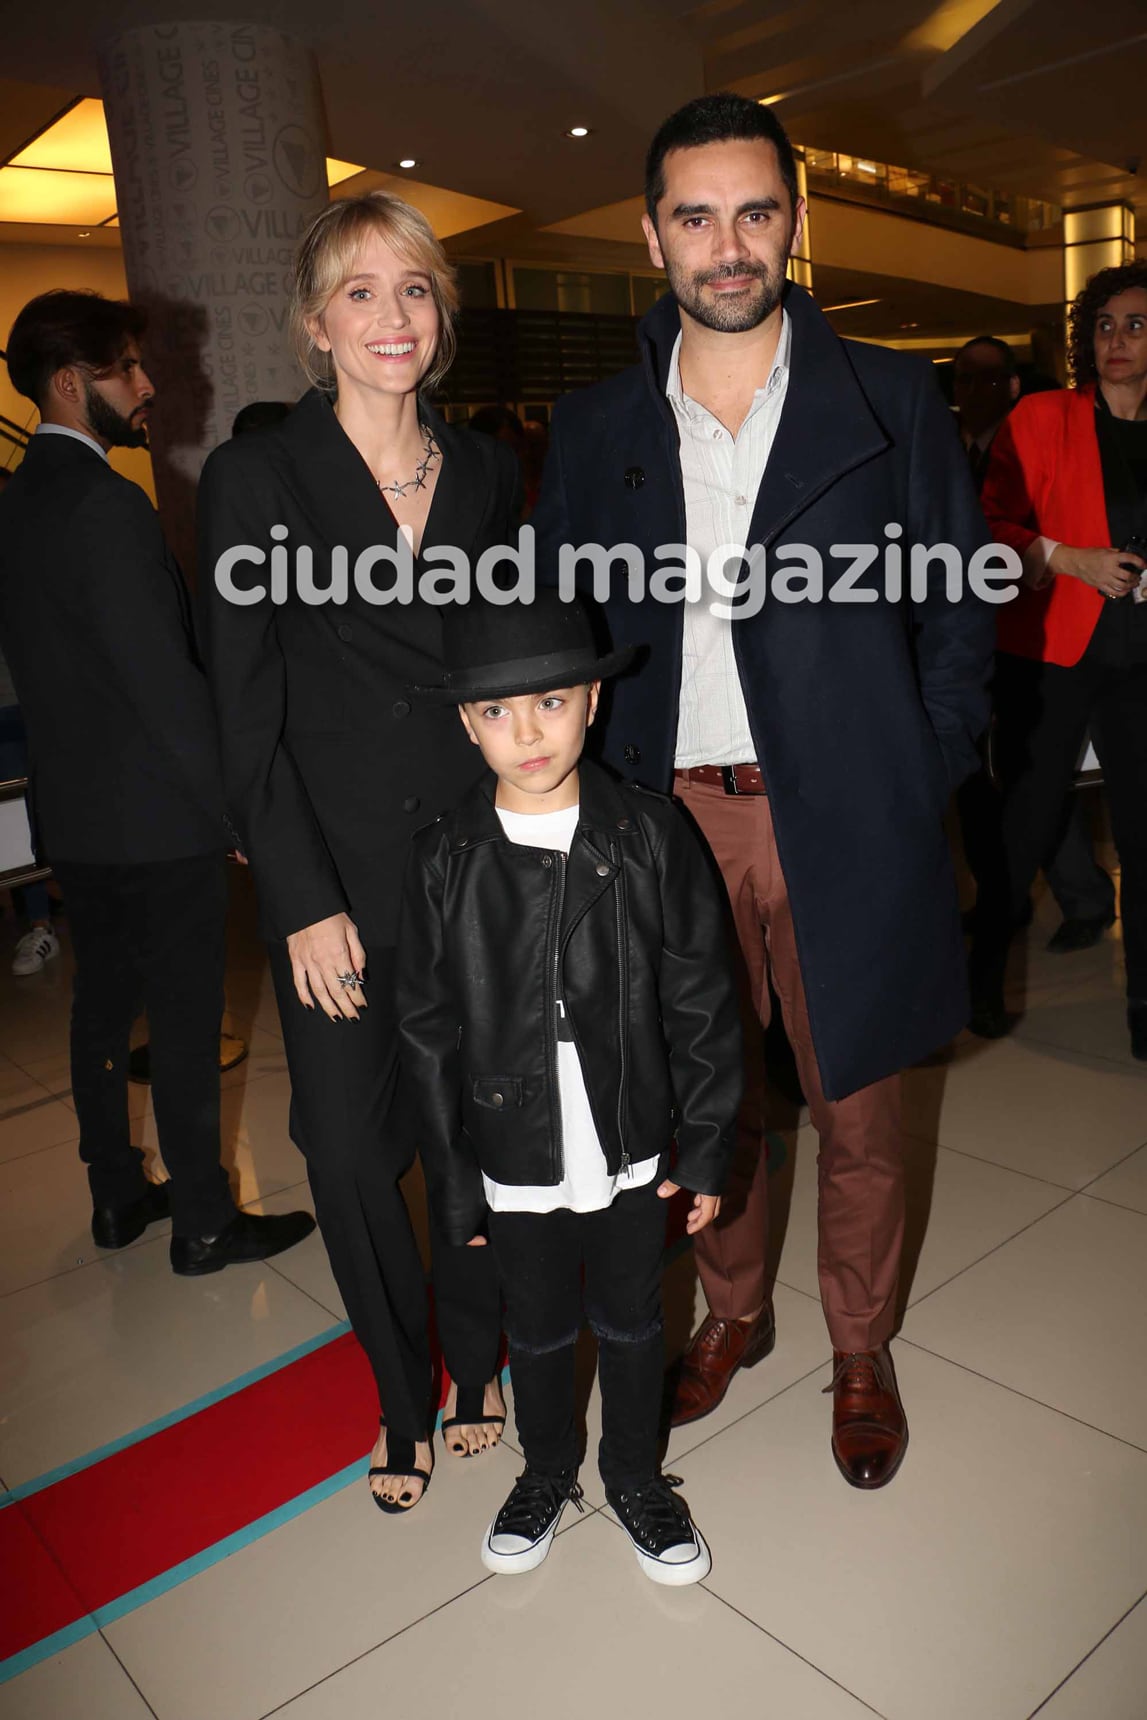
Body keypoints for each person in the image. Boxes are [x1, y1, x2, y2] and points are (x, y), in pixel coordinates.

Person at [532, 92, 994, 1488]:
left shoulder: (887, 398)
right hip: (663, 813)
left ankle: (859, 1344)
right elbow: (564, 622)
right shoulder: (598, 421)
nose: (725, 246)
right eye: (694, 215)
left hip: (846, 806)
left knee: (857, 1096)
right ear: (648, 233)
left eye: (752, 212)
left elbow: (956, 607)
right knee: (703, 1099)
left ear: (793, 221)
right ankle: (733, 1311)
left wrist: (922, 769)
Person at [197, 192, 518, 1512]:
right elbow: (244, 707)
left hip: (474, 867)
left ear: (439, 318)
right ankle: (399, 1385)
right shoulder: (257, 478)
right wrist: (300, 899)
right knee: (340, 1147)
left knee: (476, 1140)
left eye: (415, 290)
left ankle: (479, 1366)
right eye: (360, 292)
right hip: (332, 877)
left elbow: (509, 668)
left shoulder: (490, 471)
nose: (392, 316)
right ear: (314, 323)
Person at [397, 589, 740, 1583]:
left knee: (634, 1319)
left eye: (548, 701)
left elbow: (701, 996)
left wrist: (708, 1139)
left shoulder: (649, 834)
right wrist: (455, 1181)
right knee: (538, 1325)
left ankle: (634, 1471)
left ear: (592, 699)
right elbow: (426, 1031)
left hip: (627, 1139)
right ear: (466, 724)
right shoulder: (442, 858)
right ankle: (546, 1466)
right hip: (511, 1152)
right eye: (495, 713)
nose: (526, 732)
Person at [0, 290, 314, 1271]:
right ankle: (208, 1222)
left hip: (77, 818)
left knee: (100, 1007)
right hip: (153, 817)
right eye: (126, 368)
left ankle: (116, 1195)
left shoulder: (18, 500)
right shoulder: (106, 503)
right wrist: (232, 807)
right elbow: (163, 685)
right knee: (181, 1021)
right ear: (68, 381)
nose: (146, 385)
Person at [972, 261, 1147, 1060]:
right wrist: (1067, 558)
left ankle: (1143, 1006)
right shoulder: (1043, 416)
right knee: (1025, 825)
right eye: (1105, 325)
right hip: (1051, 656)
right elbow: (986, 525)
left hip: (1140, 665)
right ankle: (977, 984)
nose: (1117, 340)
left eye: (1136, 325)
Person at [953, 338, 1115, 987]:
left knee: (1040, 778)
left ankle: (1082, 897)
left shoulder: (1053, 435)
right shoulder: (941, 446)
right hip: (965, 638)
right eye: (963, 377)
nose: (973, 389)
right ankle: (1003, 898)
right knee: (983, 782)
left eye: (988, 377)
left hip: (1046, 632)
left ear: (1012, 386)